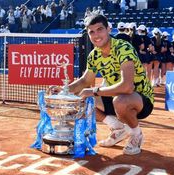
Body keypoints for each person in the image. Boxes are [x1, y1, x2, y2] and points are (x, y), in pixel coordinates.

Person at [50, 14, 154, 155]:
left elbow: (127, 87)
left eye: (100, 29)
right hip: (115, 96)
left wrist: (93, 91)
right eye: (92, 32)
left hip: (140, 100)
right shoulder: (94, 55)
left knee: (120, 101)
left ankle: (136, 134)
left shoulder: (123, 48)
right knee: (82, 99)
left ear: (108, 30)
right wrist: (65, 90)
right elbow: (85, 80)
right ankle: (117, 128)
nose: (96, 35)